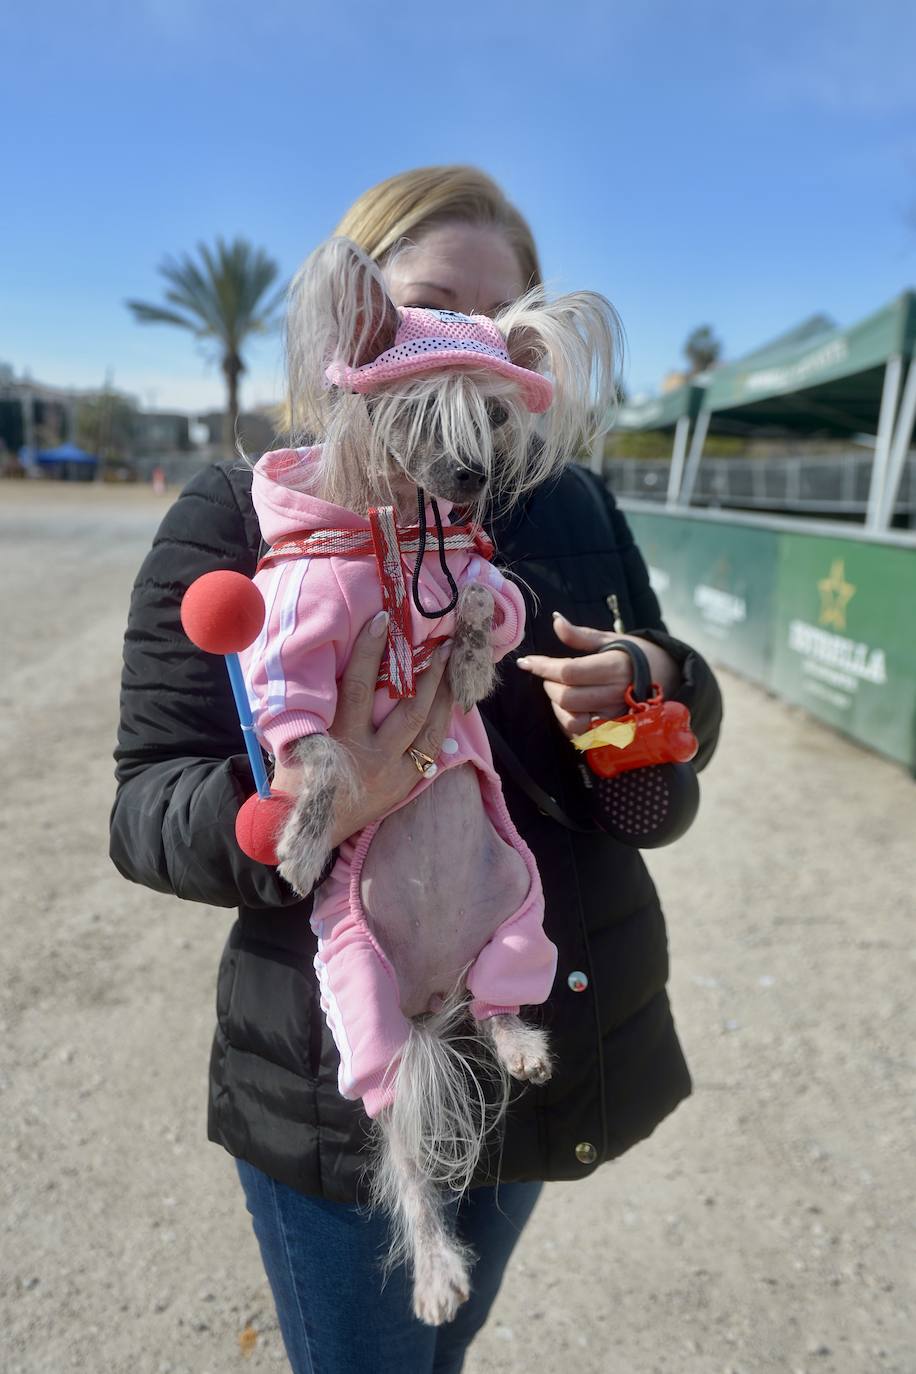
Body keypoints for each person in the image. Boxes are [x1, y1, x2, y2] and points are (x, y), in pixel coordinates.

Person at [110, 165, 723, 1374]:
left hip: (543, 1029)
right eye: (434, 303)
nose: (465, 352)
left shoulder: (571, 498)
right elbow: (144, 804)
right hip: (337, 1082)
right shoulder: (245, 510)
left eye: (497, 327)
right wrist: (308, 801)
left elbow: (670, 722)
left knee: (444, 1352)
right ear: (359, 311)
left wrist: (650, 677)